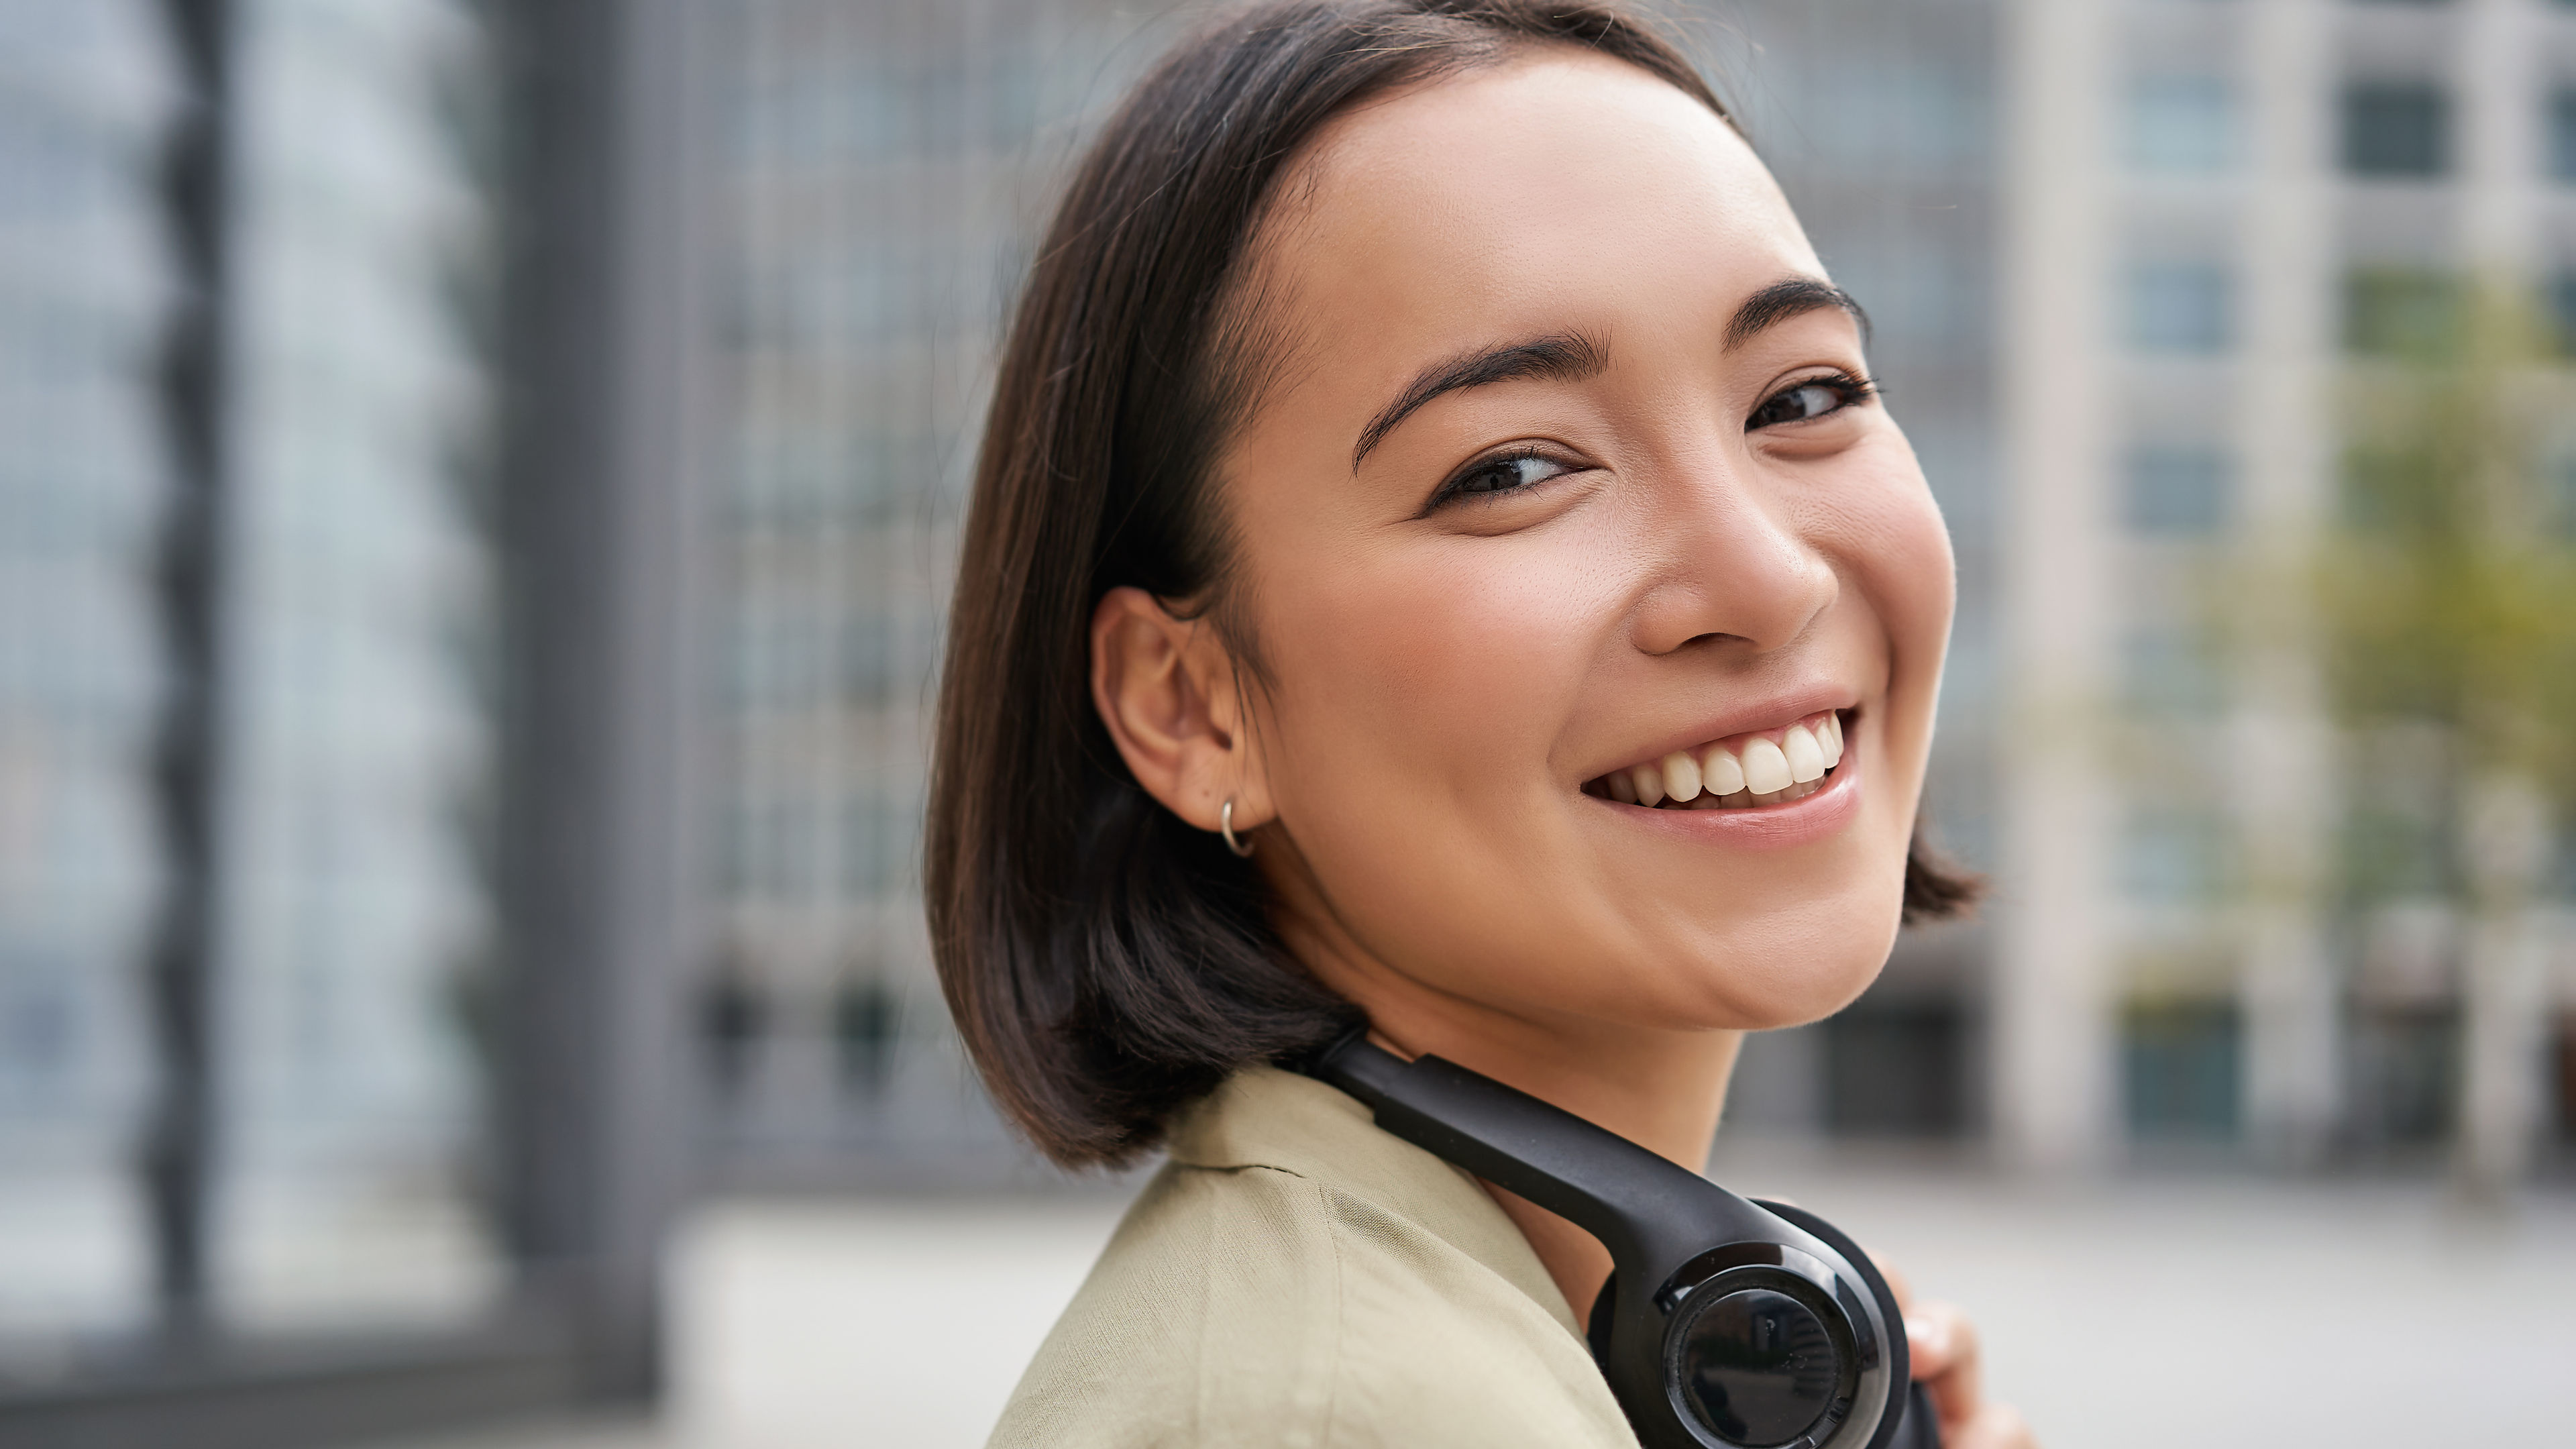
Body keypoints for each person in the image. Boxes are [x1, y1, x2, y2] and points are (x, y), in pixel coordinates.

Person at [926, 2, 2034, 1444]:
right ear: (1189, 703)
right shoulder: (1341, 1412)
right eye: (1514, 467)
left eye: (1805, 394)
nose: (1767, 578)